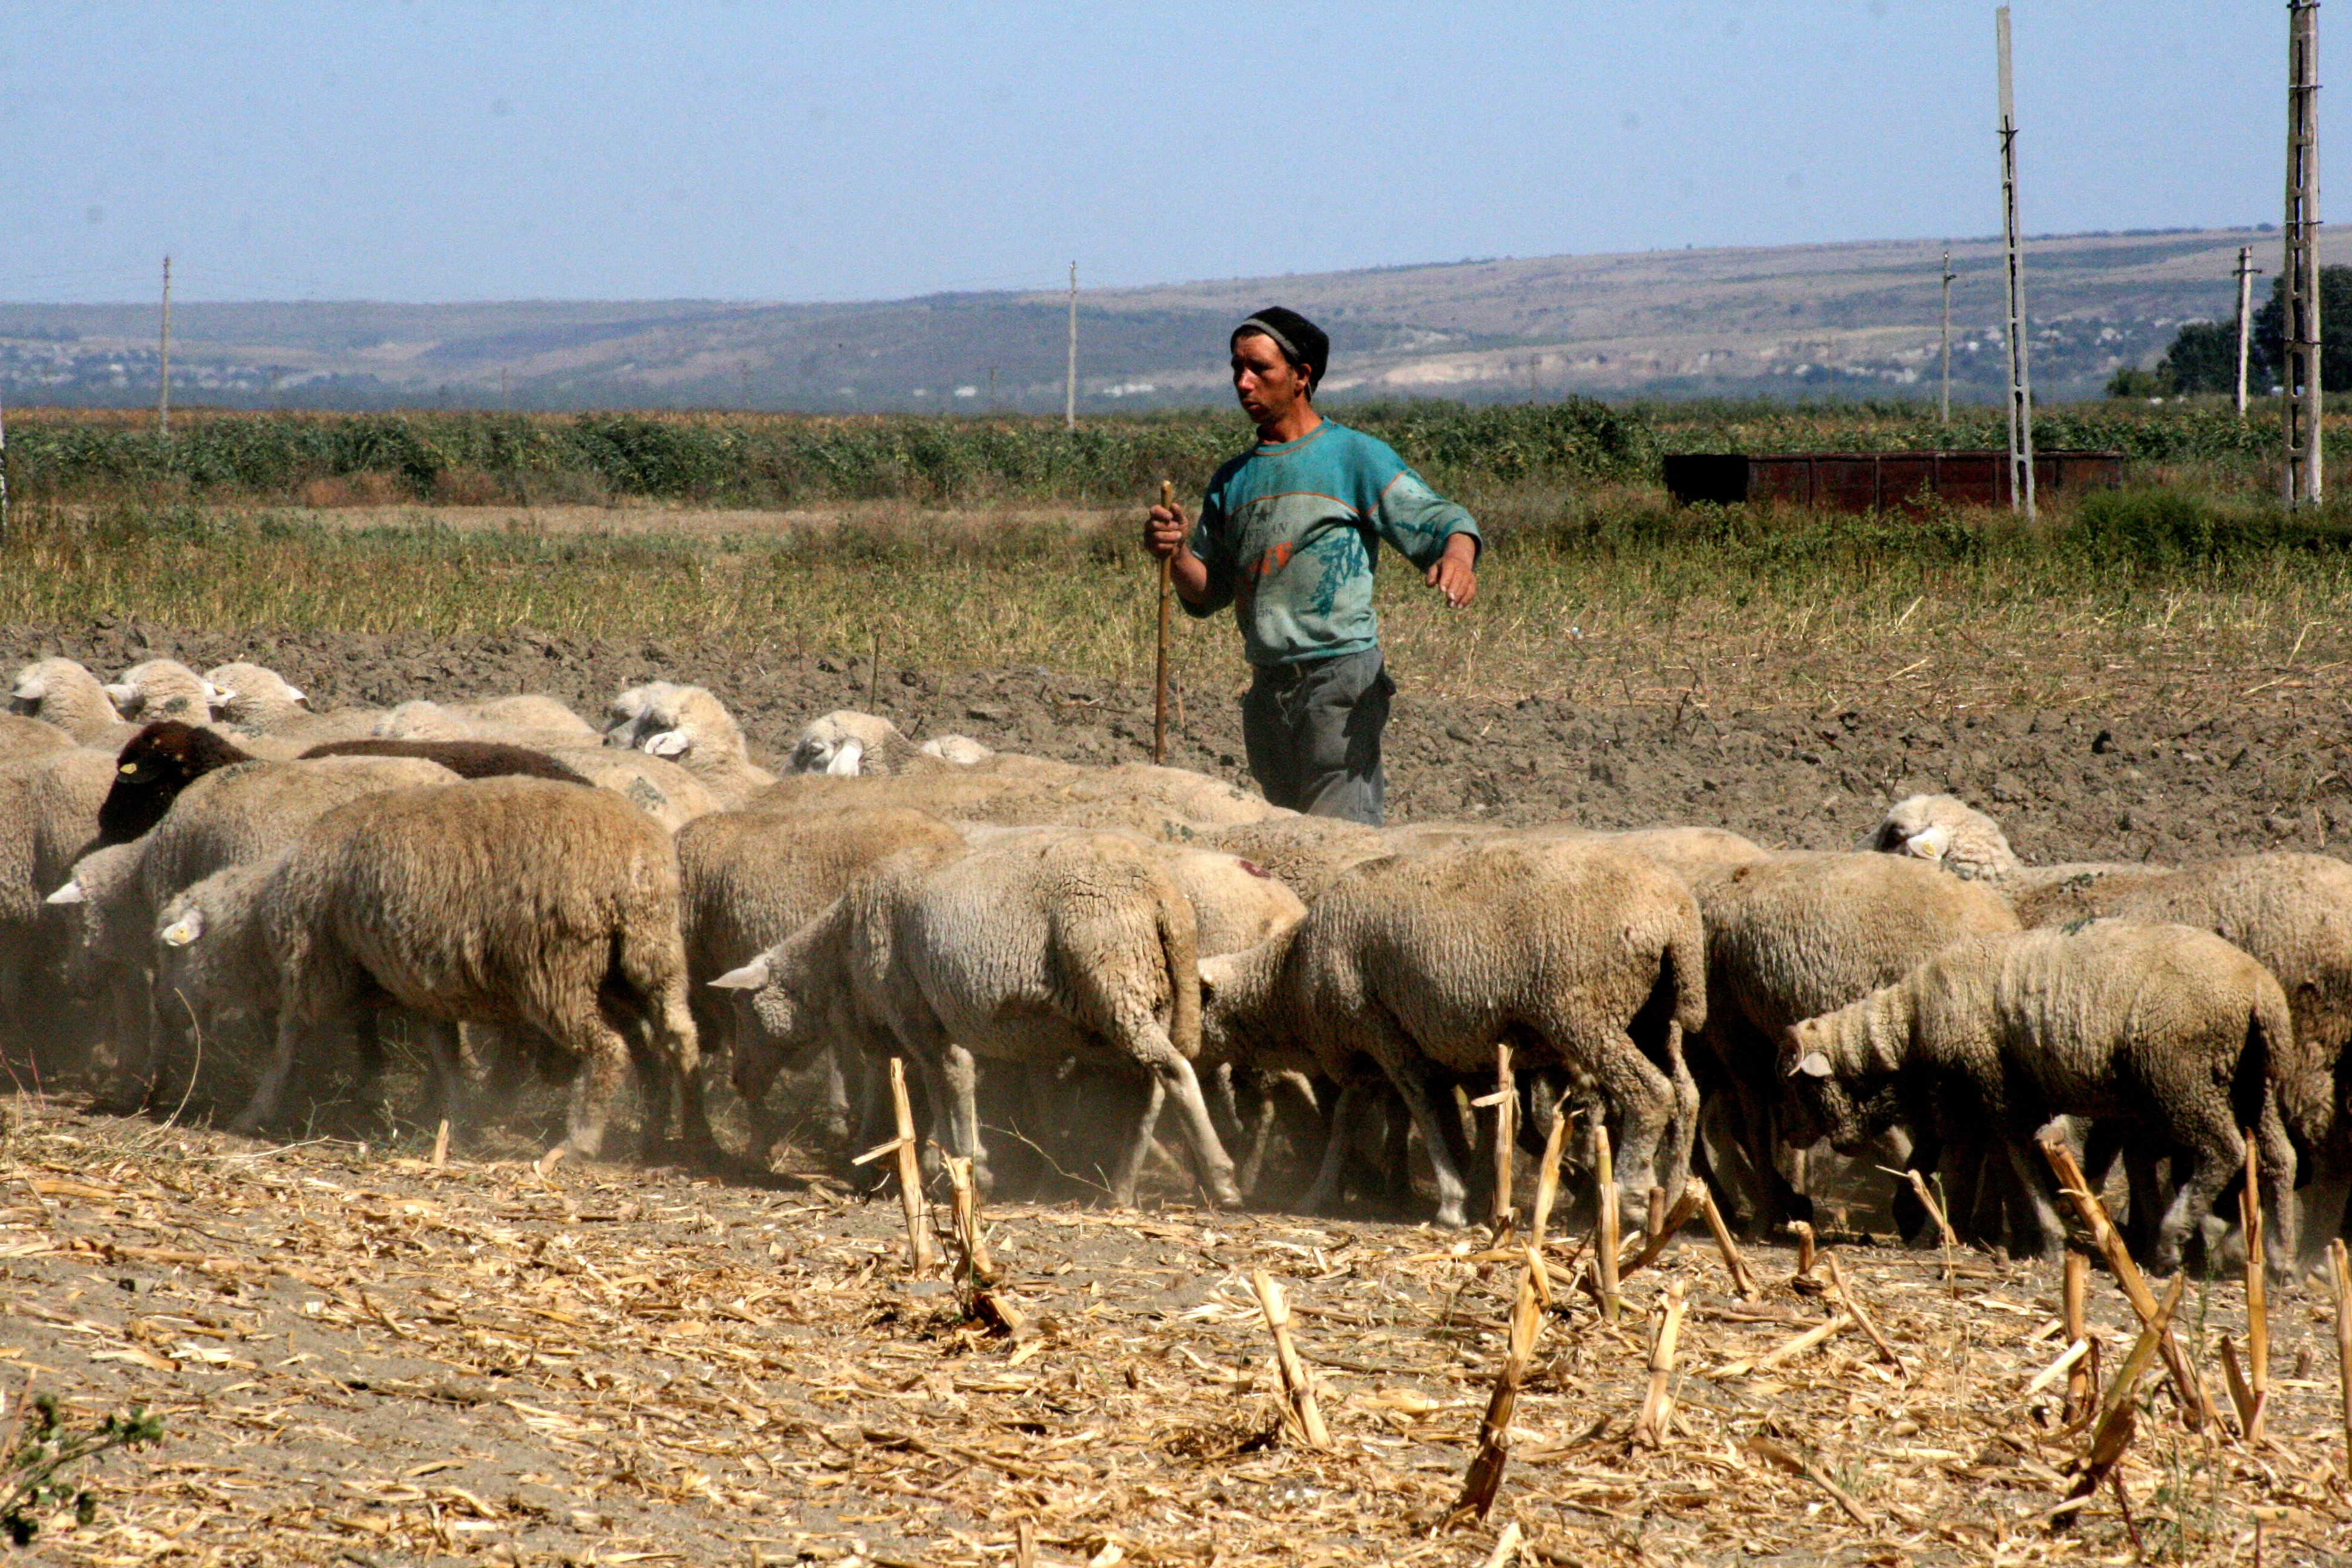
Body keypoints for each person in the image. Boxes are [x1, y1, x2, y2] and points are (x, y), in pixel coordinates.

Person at [1142, 307, 1479, 825]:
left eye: (1259, 368)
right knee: (1285, 840)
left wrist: (1457, 556)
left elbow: (1441, 520)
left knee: (1339, 840)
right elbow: (1209, 592)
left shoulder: (1353, 457)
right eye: (1236, 368)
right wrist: (1176, 553)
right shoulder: (1232, 480)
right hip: (1268, 691)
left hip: (1339, 680)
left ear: (1302, 377)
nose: (1242, 382)